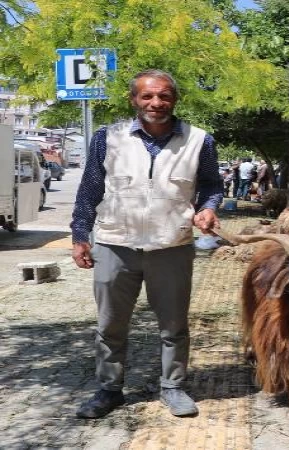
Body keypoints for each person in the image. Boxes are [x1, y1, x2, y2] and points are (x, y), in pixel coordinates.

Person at [70, 69, 224, 419]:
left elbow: (212, 186)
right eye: (148, 96)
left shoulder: (200, 140)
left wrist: (208, 209)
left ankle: (172, 387)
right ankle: (109, 389)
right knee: (110, 324)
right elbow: (89, 191)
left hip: (172, 245)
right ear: (134, 99)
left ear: (175, 99)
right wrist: (81, 236)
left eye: (164, 96)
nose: (156, 103)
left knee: (173, 325)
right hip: (114, 243)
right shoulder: (107, 138)